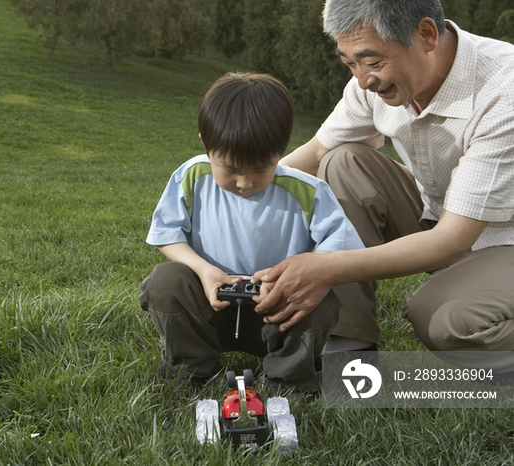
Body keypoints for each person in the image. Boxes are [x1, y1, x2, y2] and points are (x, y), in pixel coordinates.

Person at [253, 0, 514, 373]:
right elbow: (315, 153)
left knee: (443, 322)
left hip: (501, 237)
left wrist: (324, 268)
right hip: (440, 215)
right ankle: (351, 344)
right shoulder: (372, 84)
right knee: (344, 162)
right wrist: (231, 190)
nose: (363, 80)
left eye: (373, 63)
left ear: (426, 35)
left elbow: (451, 241)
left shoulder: (504, 94)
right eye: (350, 63)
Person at [138, 73, 365, 391]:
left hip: (278, 315)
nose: (244, 184)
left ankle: (290, 378)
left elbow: (341, 249)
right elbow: (166, 234)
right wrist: (204, 271)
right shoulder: (191, 177)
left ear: (281, 149)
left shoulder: (309, 192)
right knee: (166, 280)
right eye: (229, 169)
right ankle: (189, 368)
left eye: (261, 170)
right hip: (209, 306)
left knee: (321, 294)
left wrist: (289, 279)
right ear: (206, 142)